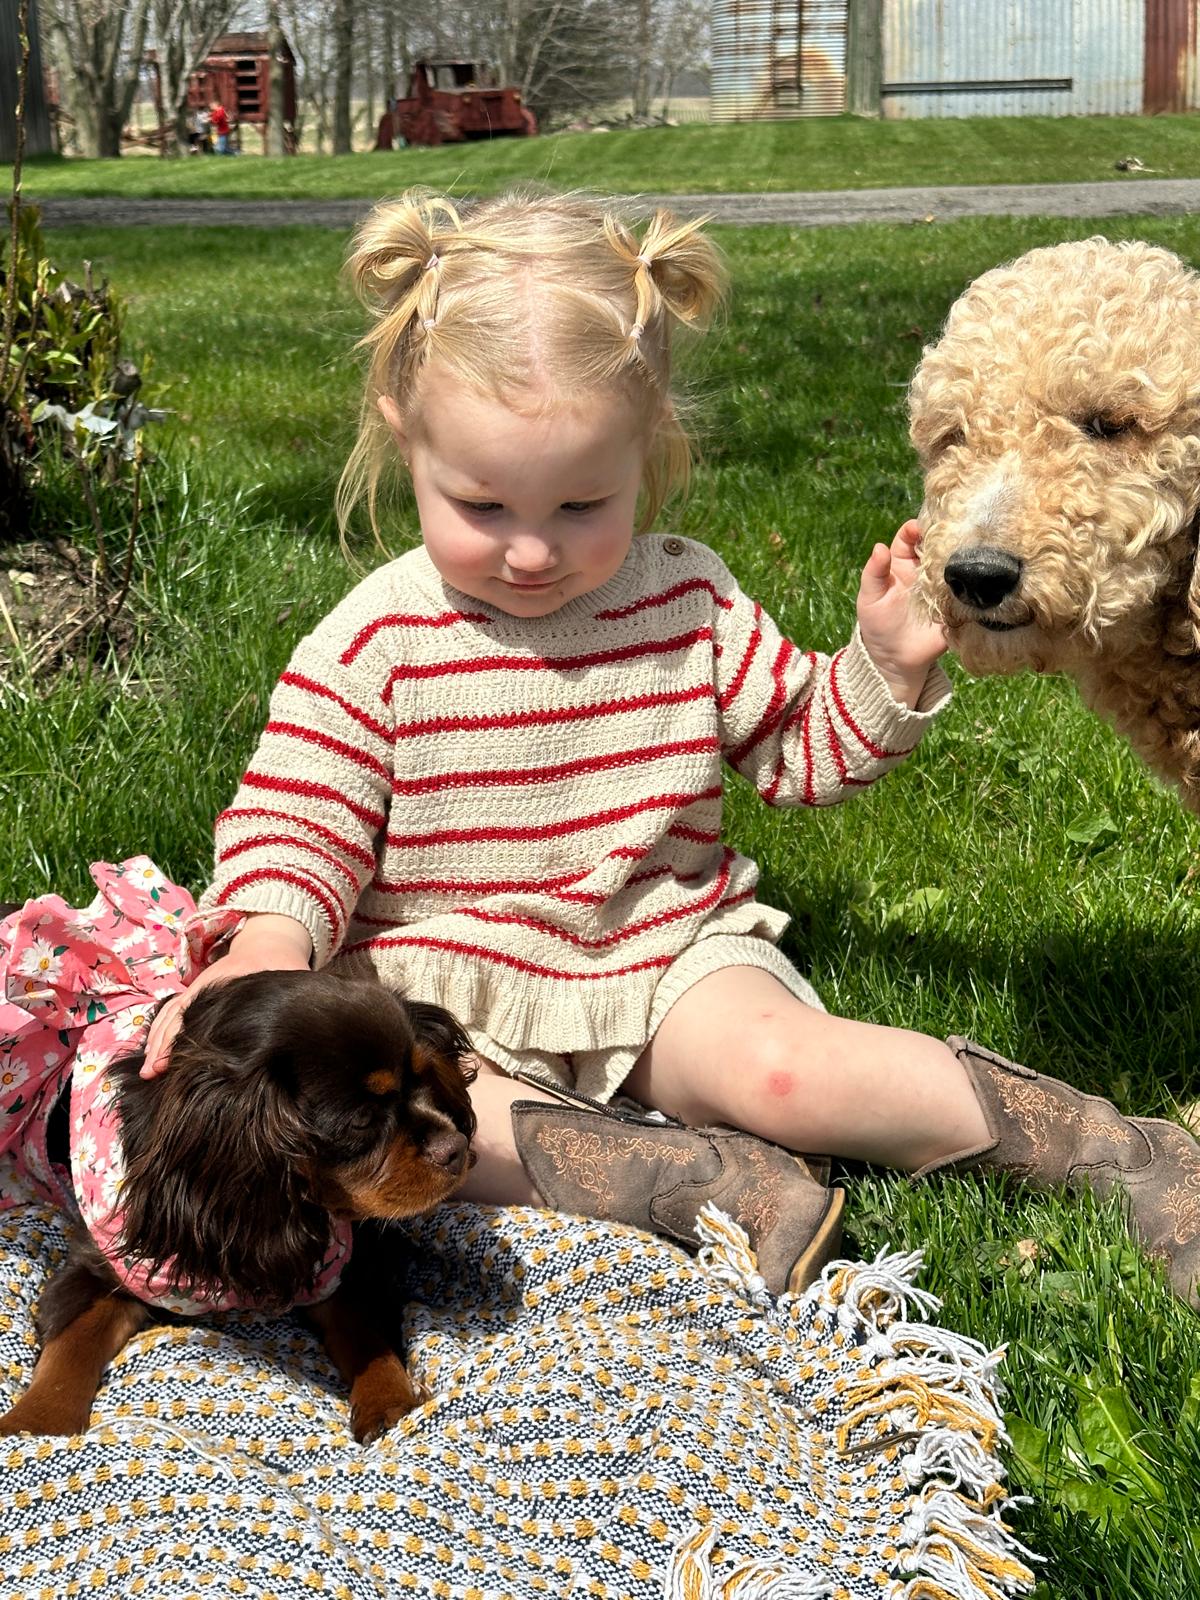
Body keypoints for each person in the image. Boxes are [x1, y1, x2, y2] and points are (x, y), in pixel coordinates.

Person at [140, 188, 1200, 1304]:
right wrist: (266, 941)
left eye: (585, 503)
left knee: (785, 1064)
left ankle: (1111, 1150)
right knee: (430, 1133)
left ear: (650, 449)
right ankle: (700, 1182)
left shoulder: (685, 600)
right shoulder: (377, 638)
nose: (535, 551)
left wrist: (881, 670)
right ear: (409, 442)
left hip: (663, 956)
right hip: (442, 995)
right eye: (484, 505)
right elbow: (296, 821)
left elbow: (798, 747)